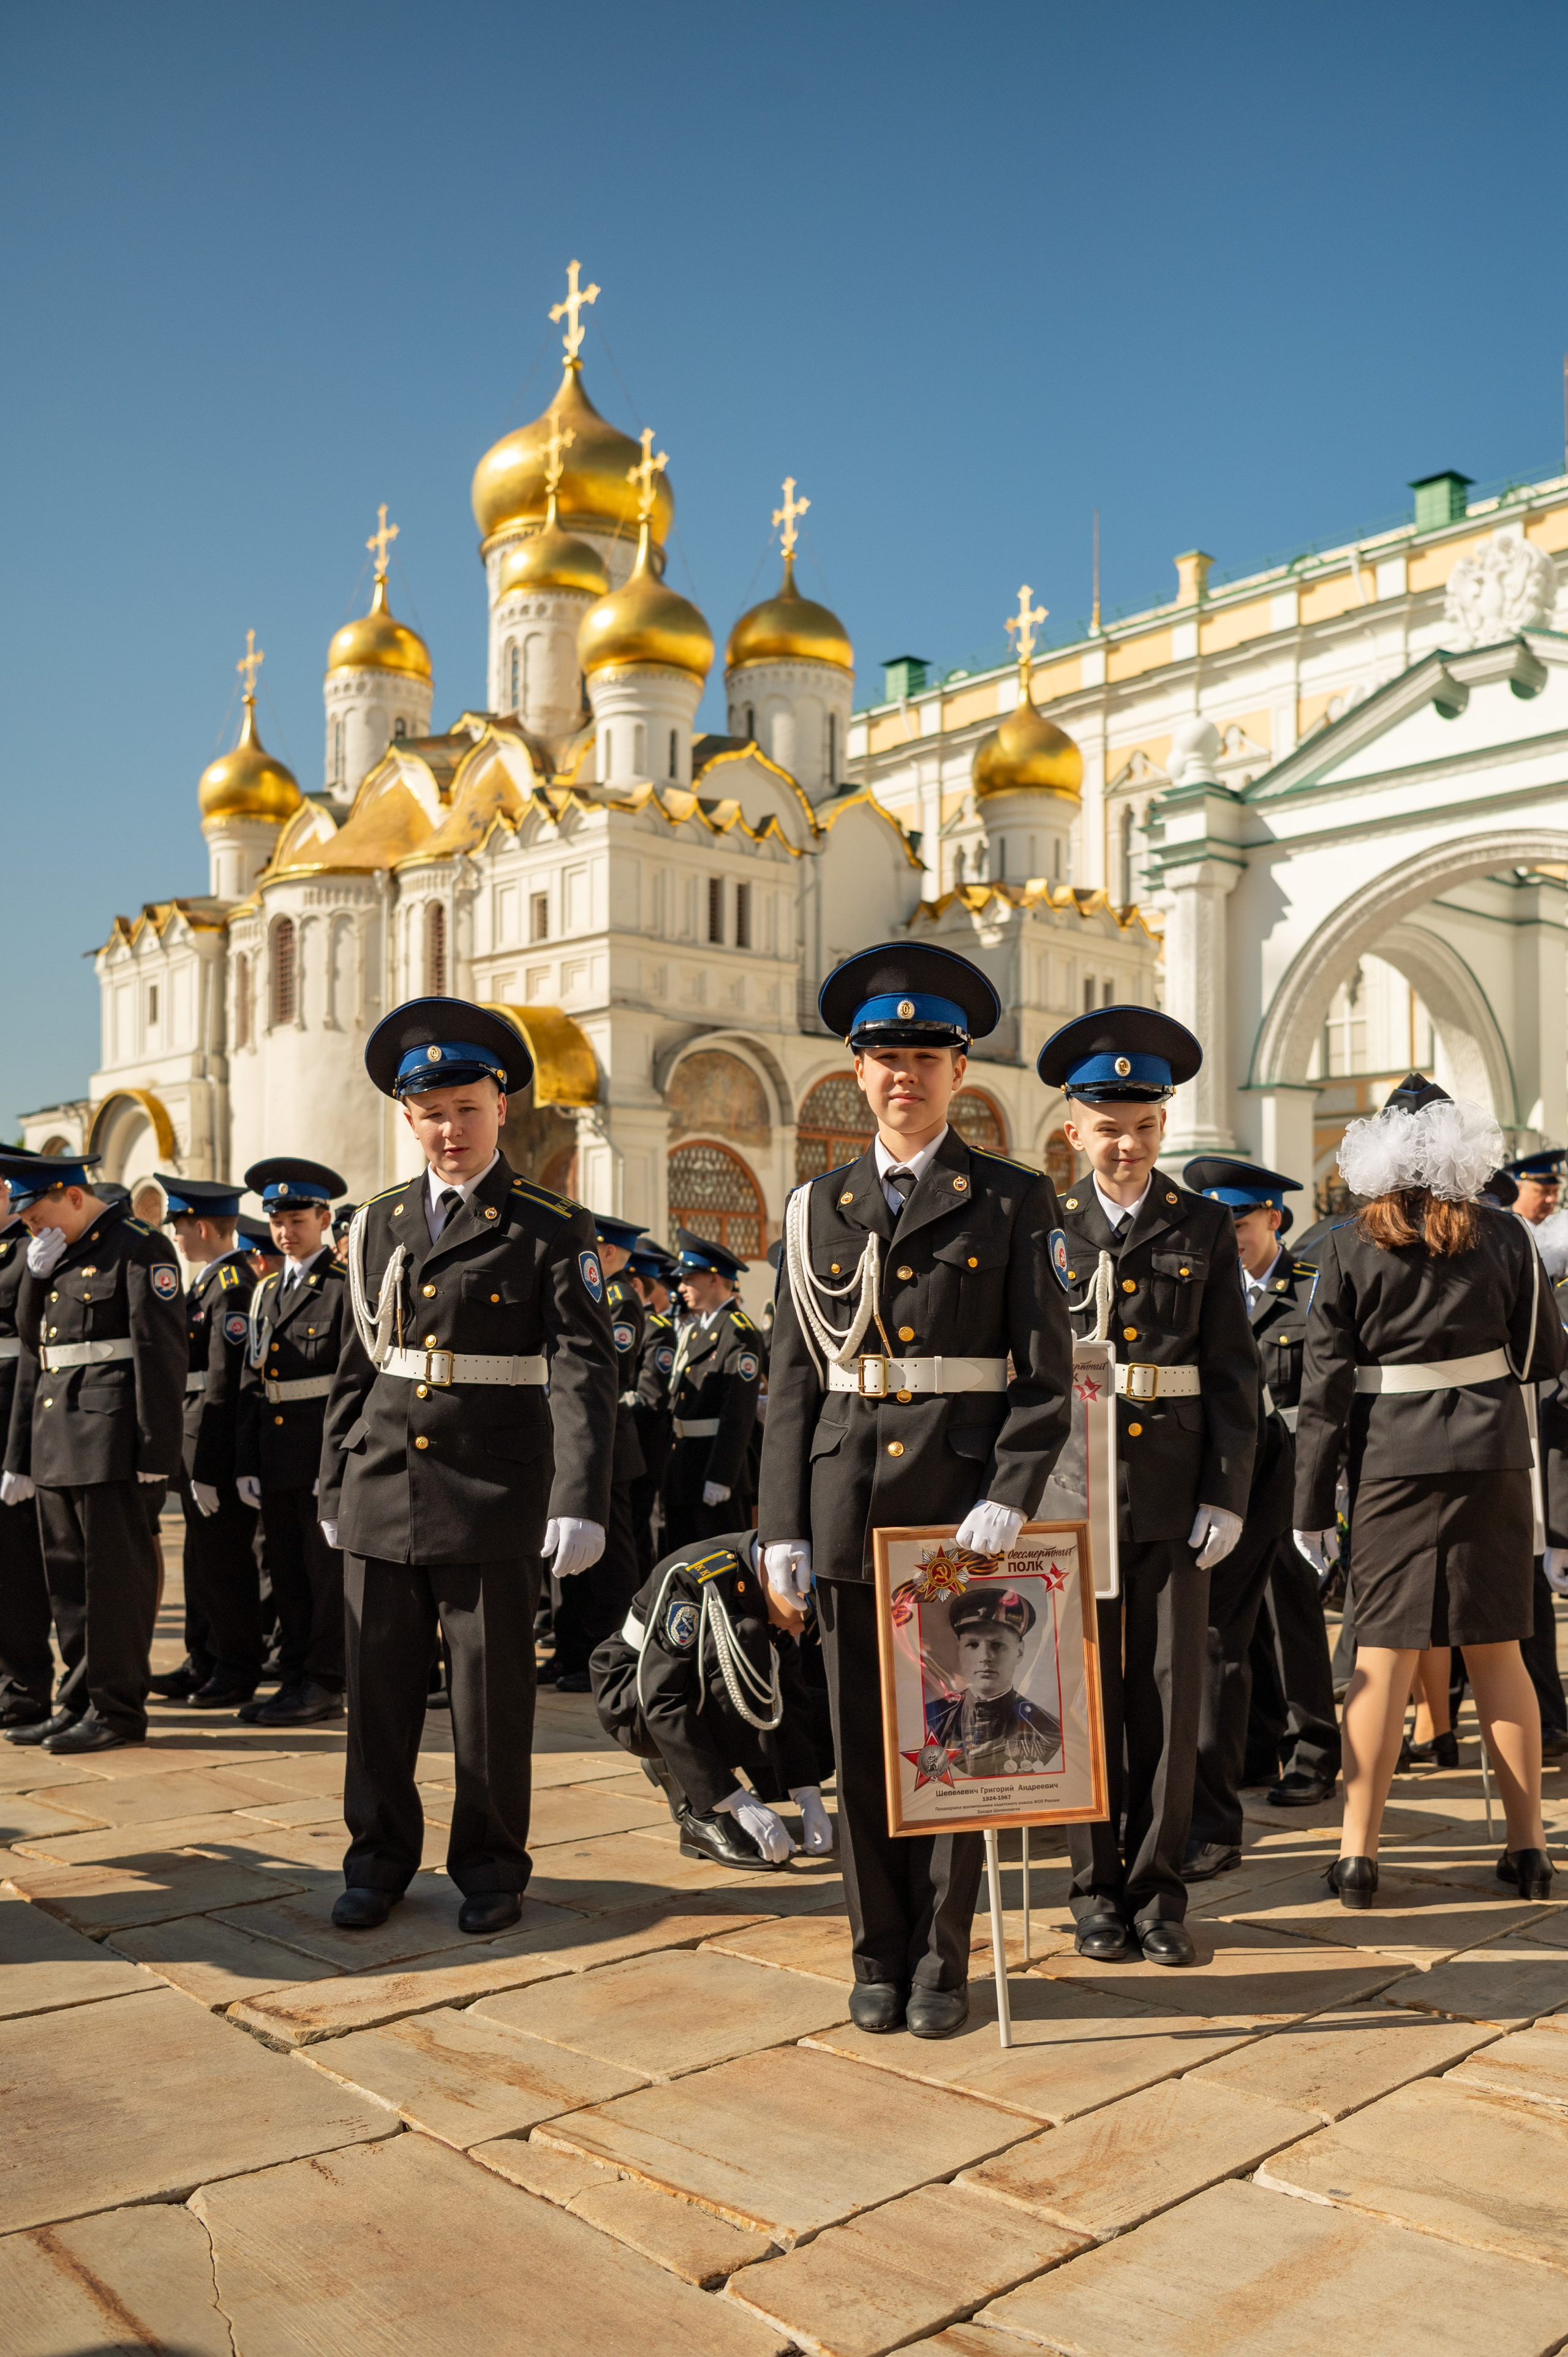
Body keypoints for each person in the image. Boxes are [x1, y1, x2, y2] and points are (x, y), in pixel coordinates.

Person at [760, 942, 1072, 2038]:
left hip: (956, 1511)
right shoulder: (815, 1207)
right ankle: (875, 1951)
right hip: (846, 1507)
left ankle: (942, 1959)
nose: (907, 1073)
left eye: (928, 1054)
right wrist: (778, 1527)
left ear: (959, 1069)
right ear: (857, 1068)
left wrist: (1012, 1491)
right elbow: (792, 1380)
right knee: (858, 1747)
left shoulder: (1014, 1199)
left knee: (955, 1739)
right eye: (887, 1054)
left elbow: (1043, 1375)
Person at [318, 997, 617, 1936]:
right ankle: (377, 1858)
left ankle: (490, 1866)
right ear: (408, 1119)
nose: (451, 1130)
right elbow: (358, 1364)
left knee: (490, 1701)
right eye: (432, 1113)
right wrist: (334, 1479)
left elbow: (585, 1372)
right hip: (379, 1485)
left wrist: (579, 1499)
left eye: (468, 1108)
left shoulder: (548, 1226)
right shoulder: (374, 1224)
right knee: (377, 1693)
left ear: (502, 1106)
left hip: (493, 1492)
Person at [1295, 1074, 1566, 1908]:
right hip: (1489, 1458)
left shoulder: (1344, 1243)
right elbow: (1542, 1358)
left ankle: (1357, 1854)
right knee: (1498, 1651)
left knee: (1382, 1653)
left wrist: (1310, 1506)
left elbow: (1324, 1387)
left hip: (1387, 1465)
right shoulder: (1509, 1237)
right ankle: (1527, 1850)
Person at [1040, 1009, 1258, 1965]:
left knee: (1172, 1696)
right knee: (1084, 1692)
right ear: (1075, 1132)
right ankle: (1095, 1886)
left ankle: (1159, 1891)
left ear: (1164, 1129)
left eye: (1142, 1126)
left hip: (1173, 1490)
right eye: (1107, 1126)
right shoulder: (1046, 1229)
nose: (1125, 1145)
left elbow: (1233, 1373)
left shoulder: (1202, 1226)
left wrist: (1227, 1491)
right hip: (1073, 1494)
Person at [1180, 1157, 1341, 1874]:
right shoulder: (1202, 1287)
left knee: (1297, 1619)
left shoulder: (1307, 1292)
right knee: (1231, 1632)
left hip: (1293, 1478)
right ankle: (1248, 1748)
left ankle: (1313, 1752)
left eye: (1239, 1224)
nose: (1230, 1238)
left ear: (1273, 1218)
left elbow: (1328, 1395)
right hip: (1226, 1482)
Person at [0, 1152, 185, 1754]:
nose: (31, 1226)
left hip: (112, 1442)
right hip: (58, 1438)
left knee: (112, 1586)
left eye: (37, 1214)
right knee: (70, 1587)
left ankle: (117, 1709)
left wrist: (157, 1450)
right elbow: (36, 1347)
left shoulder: (139, 1246)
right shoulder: (61, 1251)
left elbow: (160, 1353)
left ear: (73, 1196)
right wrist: (33, 1274)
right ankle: (78, 1700)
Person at [590, 1525, 832, 1869]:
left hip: (685, 1692)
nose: (797, 1631)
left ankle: (691, 1770)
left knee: (830, 1713)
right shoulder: (697, 1578)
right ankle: (703, 1814)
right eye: (801, 1620)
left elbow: (790, 1695)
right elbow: (663, 1698)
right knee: (744, 1641)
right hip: (635, 1695)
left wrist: (808, 1793)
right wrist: (733, 1801)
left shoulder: (773, 1588)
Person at [235, 1157, 348, 1726]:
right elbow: (255, 1381)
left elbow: (358, 1383)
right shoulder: (266, 1292)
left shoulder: (344, 1289)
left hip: (322, 1455)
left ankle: (326, 1681)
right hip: (277, 1456)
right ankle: (296, 1675)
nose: (285, 1231)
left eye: (298, 1218)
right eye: (277, 1220)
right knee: (287, 1574)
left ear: (324, 1219)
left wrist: (342, 1462)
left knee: (324, 1576)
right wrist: (246, 1459)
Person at [146, 1175, 260, 1711]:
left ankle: (235, 1667)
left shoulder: (232, 1283)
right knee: (200, 1559)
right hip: (195, 1435)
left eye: (180, 1226)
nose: (177, 1236)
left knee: (225, 1564)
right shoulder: (208, 1282)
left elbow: (224, 1381)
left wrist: (212, 1466)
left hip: (213, 1442)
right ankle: (203, 1659)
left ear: (203, 1225)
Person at [544, 1212, 646, 1693]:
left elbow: (607, 1368)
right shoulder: (596, 1293)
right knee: (567, 1555)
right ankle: (571, 1652)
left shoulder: (621, 1299)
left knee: (610, 1562)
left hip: (610, 1442)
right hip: (574, 1438)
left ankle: (610, 1652)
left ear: (606, 1252)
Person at [662, 1233, 762, 1549]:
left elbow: (739, 1413)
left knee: (723, 1570)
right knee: (682, 1564)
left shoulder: (739, 1333)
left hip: (713, 1471)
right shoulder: (698, 1332)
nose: (681, 1288)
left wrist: (722, 1475)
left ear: (715, 1280)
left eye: (689, 1279)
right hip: (685, 1469)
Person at [0, 1165, 53, 1727]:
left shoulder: (30, 1251)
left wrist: (18, 1455)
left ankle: (25, 1684)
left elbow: (32, 1356)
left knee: (15, 1571)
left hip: (11, 1420)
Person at [923, 1584, 1061, 1776]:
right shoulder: (933, 1720)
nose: (985, 1656)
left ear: (1020, 1652)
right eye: (973, 1645)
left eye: (997, 1645)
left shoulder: (1046, 1730)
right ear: (959, 1650)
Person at [628, 1242, 677, 1577]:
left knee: (634, 1536)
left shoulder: (657, 1329)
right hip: (623, 1451)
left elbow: (650, 1398)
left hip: (641, 1451)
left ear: (634, 1285)